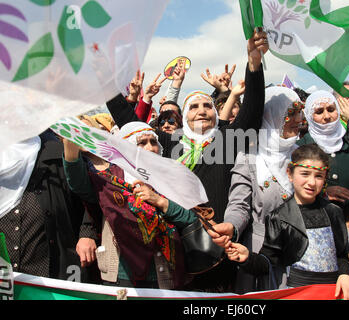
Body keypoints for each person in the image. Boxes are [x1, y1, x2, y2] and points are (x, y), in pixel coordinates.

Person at [104, 29, 269, 292]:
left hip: (220, 243)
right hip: (176, 246)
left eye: (207, 106)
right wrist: (104, 81)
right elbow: (130, 122)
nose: (201, 110)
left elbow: (253, 110)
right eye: (193, 107)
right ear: (185, 116)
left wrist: (254, 65)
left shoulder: (228, 139)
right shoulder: (168, 142)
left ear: (216, 113)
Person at [62, 121, 195, 289]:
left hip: (164, 274)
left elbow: (190, 218)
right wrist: (70, 147)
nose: (150, 148)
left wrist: (160, 201)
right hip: (120, 276)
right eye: (142, 142)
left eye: (153, 142)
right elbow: (78, 183)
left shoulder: (172, 179)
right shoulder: (109, 179)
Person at [221, 144, 349, 300]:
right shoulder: (279, 217)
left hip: (331, 292)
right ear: (290, 174)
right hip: (297, 293)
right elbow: (269, 262)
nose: (312, 182)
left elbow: (340, 254)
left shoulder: (333, 212)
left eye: (318, 176)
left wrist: (346, 274)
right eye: (305, 174)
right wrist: (247, 257)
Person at [210, 86, 304, 293]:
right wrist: (232, 225)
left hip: (304, 254)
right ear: (273, 116)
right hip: (261, 255)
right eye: (292, 113)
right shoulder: (249, 157)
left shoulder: (305, 156)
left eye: (300, 111)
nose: (300, 119)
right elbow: (239, 204)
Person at [0, 129, 93, 282]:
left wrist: (86, 234)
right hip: (7, 267)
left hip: (49, 260)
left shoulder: (58, 155)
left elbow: (86, 196)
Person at [297, 90, 349, 207]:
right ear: (309, 116)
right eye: (319, 112)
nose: (327, 116)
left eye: (331, 110)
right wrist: (323, 193)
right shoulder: (300, 147)